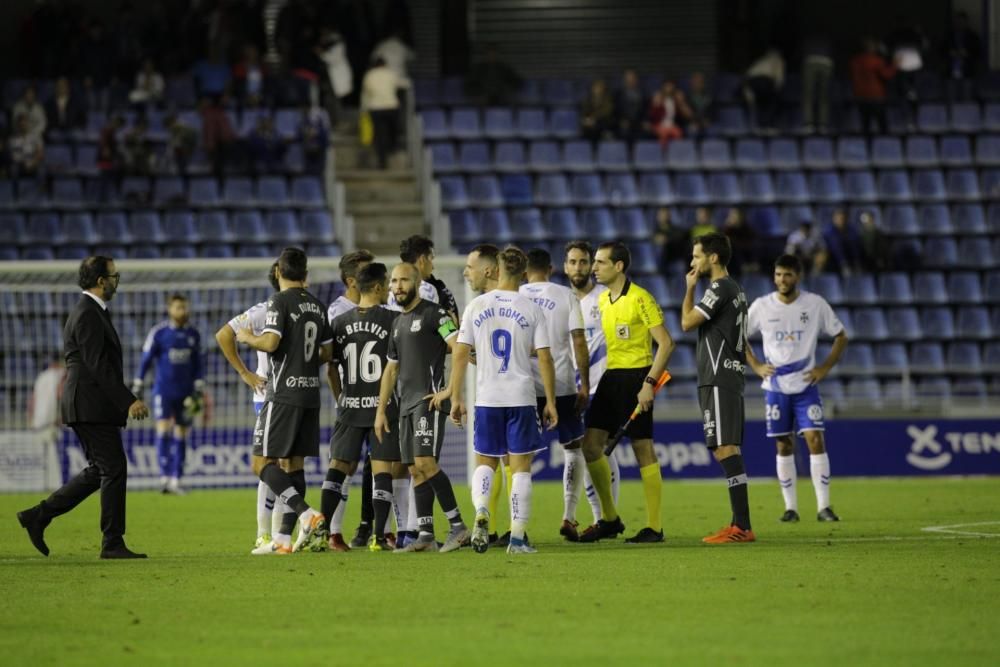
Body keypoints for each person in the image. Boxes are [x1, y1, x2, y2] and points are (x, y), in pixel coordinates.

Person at [17, 256, 151, 559]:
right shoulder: (88, 313)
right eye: (114, 276)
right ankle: (112, 543)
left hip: (89, 404)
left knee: (100, 470)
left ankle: (38, 515)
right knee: (114, 467)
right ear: (101, 281)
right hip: (89, 404)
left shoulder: (91, 311)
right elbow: (97, 365)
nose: (117, 281)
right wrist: (128, 400)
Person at [449, 246, 557, 554]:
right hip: (521, 396)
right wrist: (549, 400)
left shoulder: (476, 305)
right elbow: (546, 358)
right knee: (520, 467)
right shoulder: (532, 307)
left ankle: (482, 510)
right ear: (524, 273)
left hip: (487, 397)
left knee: (486, 462)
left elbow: (459, 352)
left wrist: (456, 396)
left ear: (497, 268)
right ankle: (518, 537)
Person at [237, 247, 334, 554]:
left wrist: (247, 338)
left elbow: (270, 341)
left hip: (283, 395)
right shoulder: (318, 306)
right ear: (305, 274)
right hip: (310, 394)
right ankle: (281, 539)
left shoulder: (279, 301)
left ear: (278, 272)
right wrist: (302, 361)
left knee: (260, 463)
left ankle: (308, 515)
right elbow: (327, 353)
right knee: (294, 466)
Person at [577, 242, 675, 543]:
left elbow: (667, 343)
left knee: (642, 449)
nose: (594, 268)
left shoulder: (641, 298)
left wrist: (649, 384)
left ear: (618, 266)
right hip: (611, 377)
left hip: (637, 377)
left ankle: (655, 527)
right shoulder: (604, 300)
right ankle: (609, 518)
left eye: (600, 262)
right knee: (591, 446)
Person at [745, 254, 847, 523]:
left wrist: (824, 368)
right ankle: (791, 509)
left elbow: (840, 335)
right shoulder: (762, 306)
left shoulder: (814, 304)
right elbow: (737, 335)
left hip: (805, 385)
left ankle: (824, 507)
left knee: (815, 439)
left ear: (797, 276)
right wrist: (755, 365)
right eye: (778, 274)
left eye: (787, 275)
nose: (782, 280)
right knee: (783, 443)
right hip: (776, 387)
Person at [374, 263, 468, 553]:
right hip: (405, 405)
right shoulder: (397, 322)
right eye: (394, 281)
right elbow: (391, 369)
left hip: (429, 401)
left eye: (403, 280)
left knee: (426, 463)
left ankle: (458, 527)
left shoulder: (435, 313)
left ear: (416, 282)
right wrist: (380, 411)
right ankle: (426, 535)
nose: (397, 286)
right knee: (414, 468)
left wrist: (452, 391)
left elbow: (460, 345)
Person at [323, 263, 404, 552]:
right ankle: (379, 537)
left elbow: (330, 369)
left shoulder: (339, 322)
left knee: (338, 467)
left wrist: (341, 398)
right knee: (382, 469)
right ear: (380, 287)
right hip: (382, 406)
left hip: (350, 404)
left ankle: (323, 532)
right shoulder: (395, 319)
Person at [680, 233, 755, 544]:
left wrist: (689, 288)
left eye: (697, 256)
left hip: (718, 375)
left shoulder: (718, 287)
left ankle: (743, 527)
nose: (693, 262)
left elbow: (686, 322)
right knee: (726, 447)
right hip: (729, 375)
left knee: (725, 447)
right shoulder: (735, 288)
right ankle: (738, 523)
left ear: (713, 258)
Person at [519, 248, 590, 541]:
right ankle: (569, 517)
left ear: (525, 270)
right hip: (561, 386)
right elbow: (579, 342)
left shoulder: (515, 295)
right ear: (551, 268)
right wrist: (584, 382)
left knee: (519, 458)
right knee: (574, 449)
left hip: (522, 387)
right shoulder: (566, 296)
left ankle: (517, 526)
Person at [216, 262, 286, 553]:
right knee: (270, 463)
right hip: (267, 396)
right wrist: (245, 373)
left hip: (291, 395)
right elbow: (223, 334)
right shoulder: (262, 311)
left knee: (286, 465)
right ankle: (263, 534)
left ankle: (282, 536)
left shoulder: (297, 308)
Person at [562, 241, 621, 536]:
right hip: (573, 390)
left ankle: (604, 518)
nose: (578, 268)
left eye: (583, 262)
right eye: (572, 262)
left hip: (604, 386)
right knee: (583, 452)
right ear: (564, 266)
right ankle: (600, 518)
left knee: (600, 452)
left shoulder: (605, 298)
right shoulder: (561, 302)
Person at [325, 250, 377, 551]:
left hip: (376, 401)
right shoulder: (337, 311)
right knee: (345, 462)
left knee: (378, 462)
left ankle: (373, 529)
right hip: (351, 402)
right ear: (351, 280)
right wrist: (341, 400)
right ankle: (331, 530)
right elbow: (332, 364)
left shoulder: (378, 304)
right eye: (366, 272)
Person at [131, 294, 203, 496]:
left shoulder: (193, 334)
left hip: (186, 393)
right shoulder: (159, 333)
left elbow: (199, 364)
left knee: (181, 433)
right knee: (163, 429)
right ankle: (164, 477)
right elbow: (146, 359)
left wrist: (199, 386)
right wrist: (138, 383)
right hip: (163, 391)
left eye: (185, 307)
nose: (183, 311)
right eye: (179, 307)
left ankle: (176, 479)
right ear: (170, 309)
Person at [391, 234, 459, 322]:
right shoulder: (438, 292)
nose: (433, 266)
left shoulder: (388, 291)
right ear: (422, 260)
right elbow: (451, 329)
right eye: (431, 259)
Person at [28, 354, 66, 489]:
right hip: (51, 419)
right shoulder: (61, 373)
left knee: (45, 453)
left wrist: (31, 418)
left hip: (38, 420)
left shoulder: (41, 376)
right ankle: (58, 483)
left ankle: (44, 484)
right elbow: (61, 393)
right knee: (57, 453)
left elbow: (32, 399)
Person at [849, 39, 897, 136]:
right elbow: (887, 75)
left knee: (865, 124)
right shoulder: (876, 61)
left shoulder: (854, 61)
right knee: (882, 125)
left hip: (860, 96)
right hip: (876, 96)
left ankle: (867, 146)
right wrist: (895, 65)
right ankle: (883, 145)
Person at [361, 56, 400, 170]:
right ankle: (392, 148)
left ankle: (383, 161)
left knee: (380, 135)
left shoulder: (369, 75)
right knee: (392, 130)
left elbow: (366, 91)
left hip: (375, 108)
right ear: (385, 64)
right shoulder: (391, 73)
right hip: (391, 106)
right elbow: (396, 86)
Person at [945, 12, 983, 101]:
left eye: (962, 21)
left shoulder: (972, 36)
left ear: (966, 22)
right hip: (951, 70)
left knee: (967, 97)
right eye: (957, 21)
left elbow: (978, 52)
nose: (959, 23)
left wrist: (967, 53)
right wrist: (950, 53)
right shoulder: (949, 35)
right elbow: (941, 50)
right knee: (952, 98)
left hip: (967, 71)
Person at [745, 48, 784, 133]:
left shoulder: (762, 60)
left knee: (760, 102)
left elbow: (748, 76)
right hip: (764, 80)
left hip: (752, 82)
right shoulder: (778, 59)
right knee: (773, 101)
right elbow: (779, 77)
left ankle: (760, 127)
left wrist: (748, 93)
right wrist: (777, 91)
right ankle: (768, 126)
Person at [801, 33, 834, 133]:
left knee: (822, 95)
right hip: (812, 60)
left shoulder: (827, 38)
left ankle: (821, 124)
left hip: (825, 62)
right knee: (809, 94)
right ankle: (809, 124)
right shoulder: (808, 39)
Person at [823, 209, 863, 277]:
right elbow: (835, 247)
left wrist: (856, 261)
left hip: (850, 257)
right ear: (834, 219)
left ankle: (856, 265)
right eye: (838, 218)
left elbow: (855, 245)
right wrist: (843, 263)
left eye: (843, 218)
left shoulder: (851, 230)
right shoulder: (829, 231)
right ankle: (845, 266)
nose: (841, 221)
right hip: (833, 258)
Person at [614, 69, 645, 143]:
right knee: (623, 132)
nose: (630, 81)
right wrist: (621, 120)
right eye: (628, 79)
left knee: (646, 133)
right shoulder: (618, 94)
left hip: (638, 123)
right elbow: (616, 110)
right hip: (623, 123)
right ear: (624, 80)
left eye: (632, 78)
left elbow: (645, 109)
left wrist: (645, 121)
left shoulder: (642, 93)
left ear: (636, 80)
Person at [580, 78, 615, 143]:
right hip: (590, 124)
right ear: (592, 89)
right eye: (596, 87)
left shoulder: (608, 99)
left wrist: (594, 119)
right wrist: (586, 120)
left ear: (603, 89)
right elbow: (584, 111)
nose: (598, 90)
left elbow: (606, 112)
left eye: (600, 87)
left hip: (603, 123)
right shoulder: (587, 100)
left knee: (601, 125)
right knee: (586, 128)